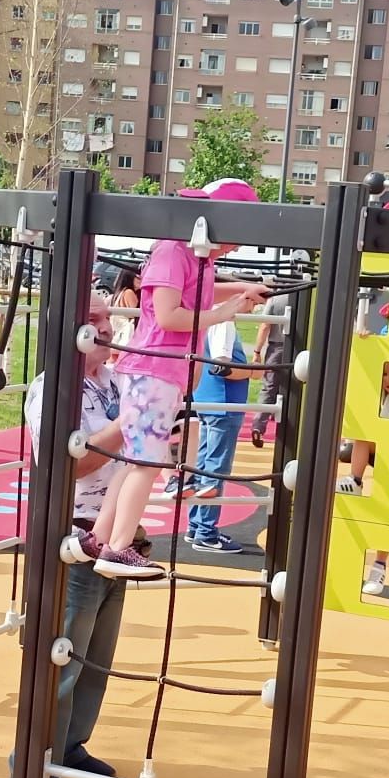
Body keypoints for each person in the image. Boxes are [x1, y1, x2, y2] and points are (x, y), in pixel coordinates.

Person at [65, 181, 267, 579]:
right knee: (146, 461)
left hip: (163, 374)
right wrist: (224, 312)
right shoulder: (174, 250)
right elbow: (168, 314)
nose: (238, 247)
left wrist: (242, 290)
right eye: (238, 234)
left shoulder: (199, 258)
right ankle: (117, 549)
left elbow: (201, 294)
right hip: (151, 370)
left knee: (135, 459)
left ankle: (99, 538)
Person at [23, 296, 127, 778]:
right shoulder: (52, 391)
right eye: (95, 319)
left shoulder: (113, 382)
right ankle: (37, 755)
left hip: (115, 534)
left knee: (97, 654)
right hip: (74, 534)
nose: (106, 327)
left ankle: (70, 745)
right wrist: (133, 424)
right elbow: (69, 464)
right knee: (63, 651)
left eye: (108, 317)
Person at [187, 314, 260, 554]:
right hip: (224, 403)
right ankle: (205, 533)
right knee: (215, 468)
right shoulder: (223, 322)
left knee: (204, 465)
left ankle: (196, 525)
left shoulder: (204, 319)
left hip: (207, 400)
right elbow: (222, 367)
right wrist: (252, 371)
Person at [247, 293, 289, 450]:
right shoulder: (305, 297)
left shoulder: (276, 299)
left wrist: (257, 352)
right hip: (299, 347)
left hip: (276, 347)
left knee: (269, 386)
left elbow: (265, 326)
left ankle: (258, 425)